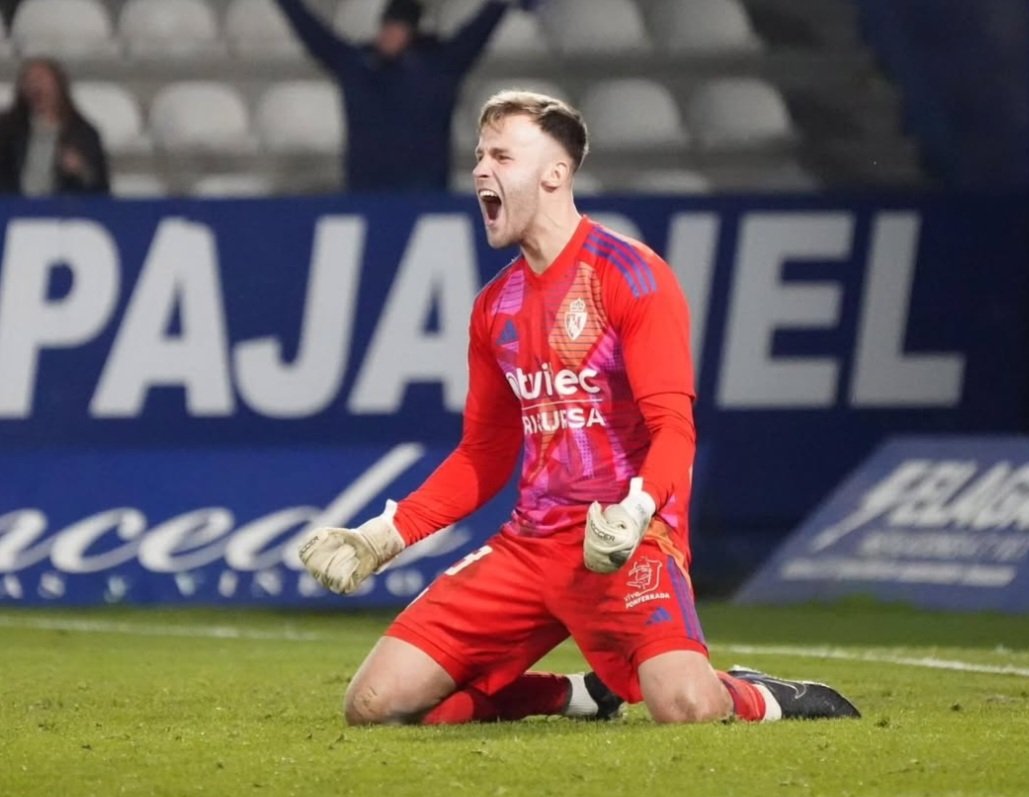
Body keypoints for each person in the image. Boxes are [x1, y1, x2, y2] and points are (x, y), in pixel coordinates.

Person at [299, 90, 862, 726]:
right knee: (373, 706)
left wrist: (638, 509)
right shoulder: (495, 307)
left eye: (501, 155)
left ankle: (757, 694)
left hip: (625, 540)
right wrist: (384, 536)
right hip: (531, 545)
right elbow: (484, 455)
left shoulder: (630, 275)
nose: (481, 170)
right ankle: (574, 695)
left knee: (685, 707)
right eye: (480, 155)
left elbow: (673, 429)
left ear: (555, 173)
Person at [276, 0, 531, 192]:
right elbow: (314, 35)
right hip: (365, 193)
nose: (389, 33)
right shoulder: (357, 66)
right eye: (387, 26)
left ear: (413, 33)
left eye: (399, 27)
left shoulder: (440, 67)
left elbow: (477, 33)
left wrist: (499, 6)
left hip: (425, 194)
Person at [0, 57, 110, 196]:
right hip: (13, 210)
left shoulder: (83, 133)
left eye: (41, 79)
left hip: (62, 211)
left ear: (58, 85)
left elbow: (101, 187)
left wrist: (81, 170)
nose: (34, 85)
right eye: (28, 81)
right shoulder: (7, 130)